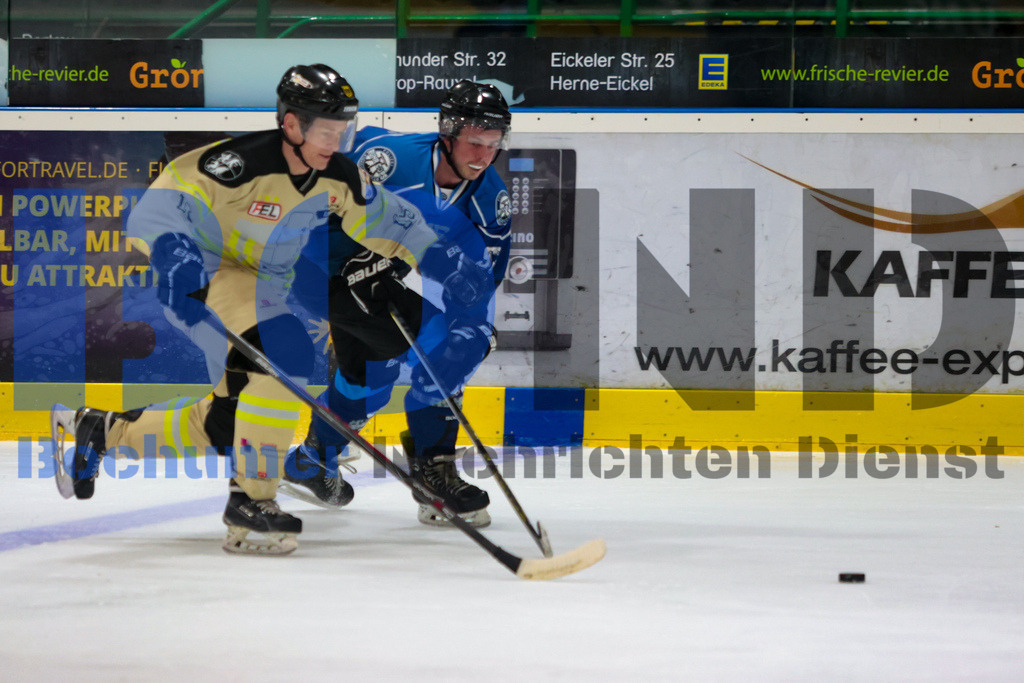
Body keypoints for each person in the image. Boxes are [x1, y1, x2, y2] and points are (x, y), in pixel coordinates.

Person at [50, 64, 437, 556]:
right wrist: (172, 250)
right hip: (209, 275)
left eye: (343, 129)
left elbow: (388, 221)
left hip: (264, 289)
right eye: (326, 128)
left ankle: (100, 431)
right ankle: (251, 501)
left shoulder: (337, 174)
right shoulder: (238, 163)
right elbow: (163, 204)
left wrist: (443, 259)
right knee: (286, 357)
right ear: (291, 123)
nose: (336, 140)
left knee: (228, 420)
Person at [281, 80, 512, 529]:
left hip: (384, 280)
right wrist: (350, 262)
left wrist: (471, 316)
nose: (484, 155)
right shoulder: (388, 160)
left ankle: (311, 460)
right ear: (448, 135)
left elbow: (483, 276)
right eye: (475, 142)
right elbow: (310, 207)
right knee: (428, 341)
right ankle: (434, 473)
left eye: (493, 143)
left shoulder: (490, 199)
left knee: (376, 372)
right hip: (315, 269)